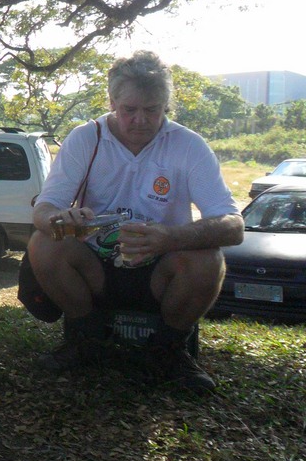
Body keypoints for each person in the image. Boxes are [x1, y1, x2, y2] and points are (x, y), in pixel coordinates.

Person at [26, 51, 244, 394]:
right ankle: (85, 339)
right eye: (129, 109)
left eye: (152, 110)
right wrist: (60, 218)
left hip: (162, 270)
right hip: (95, 265)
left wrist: (170, 238)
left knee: (209, 258)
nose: (140, 120)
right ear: (112, 102)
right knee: (43, 243)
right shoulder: (86, 138)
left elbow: (233, 225)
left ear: (166, 106)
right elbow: (44, 208)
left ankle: (170, 349)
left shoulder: (188, 145)